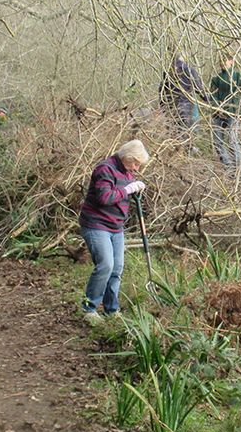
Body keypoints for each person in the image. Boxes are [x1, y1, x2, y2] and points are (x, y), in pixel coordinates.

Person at [78, 139, 150, 325]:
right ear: (127, 157)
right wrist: (127, 190)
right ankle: (90, 308)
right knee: (106, 265)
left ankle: (111, 309)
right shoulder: (105, 169)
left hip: (116, 226)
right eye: (135, 163)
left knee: (117, 268)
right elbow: (105, 197)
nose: (136, 168)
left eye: (138, 165)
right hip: (96, 224)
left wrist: (136, 190)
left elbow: (123, 193)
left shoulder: (127, 172)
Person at [209, 54, 241, 172]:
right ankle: (228, 167)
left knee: (232, 140)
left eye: (225, 60)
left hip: (233, 113)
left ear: (231, 61)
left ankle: (240, 169)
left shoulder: (238, 76)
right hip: (218, 114)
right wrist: (216, 108)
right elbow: (212, 96)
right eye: (220, 61)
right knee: (217, 142)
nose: (222, 63)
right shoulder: (216, 79)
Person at [159, 52, 204, 130]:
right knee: (186, 131)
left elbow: (161, 90)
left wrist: (163, 106)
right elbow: (198, 88)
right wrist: (208, 100)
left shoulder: (168, 72)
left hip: (170, 107)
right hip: (185, 106)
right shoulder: (189, 70)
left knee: (173, 132)